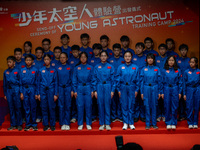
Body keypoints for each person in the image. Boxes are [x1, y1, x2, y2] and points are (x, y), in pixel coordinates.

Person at [116, 51, 139, 130]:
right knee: (124, 105)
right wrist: (118, 90)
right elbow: (117, 79)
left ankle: (131, 122)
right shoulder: (120, 67)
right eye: (126, 56)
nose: (127, 58)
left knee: (131, 105)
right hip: (123, 87)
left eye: (129, 56)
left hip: (132, 87)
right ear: (124, 57)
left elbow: (138, 80)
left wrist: (136, 90)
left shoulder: (135, 67)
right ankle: (125, 123)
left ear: (131, 57)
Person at [93, 51, 115, 130]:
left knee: (107, 105)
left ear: (107, 57)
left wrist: (112, 90)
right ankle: (102, 123)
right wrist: (95, 90)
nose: (103, 57)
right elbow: (94, 79)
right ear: (99, 57)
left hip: (108, 86)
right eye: (101, 55)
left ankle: (107, 123)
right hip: (99, 86)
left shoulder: (110, 67)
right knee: (100, 105)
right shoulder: (96, 67)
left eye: (105, 55)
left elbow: (113, 80)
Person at [73, 52, 94, 130]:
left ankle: (88, 123)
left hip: (88, 87)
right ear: (79, 58)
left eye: (85, 57)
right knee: (80, 106)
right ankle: (80, 123)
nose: (83, 59)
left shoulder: (90, 67)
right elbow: (74, 80)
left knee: (88, 106)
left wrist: (93, 90)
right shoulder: (76, 68)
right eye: (81, 57)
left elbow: (93, 79)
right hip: (79, 87)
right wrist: (75, 90)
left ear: (87, 58)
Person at [140, 53, 161, 130]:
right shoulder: (143, 69)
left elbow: (159, 81)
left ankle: (154, 123)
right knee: (147, 106)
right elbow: (141, 81)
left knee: (154, 106)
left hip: (155, 87)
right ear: (146, 60)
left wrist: (159, 92)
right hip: (146, 87)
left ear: (153, 60)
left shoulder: (157, 69)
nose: (150, 60)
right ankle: (148, 123)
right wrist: (141, 92)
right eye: (148, 58)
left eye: (151, 58)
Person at [38, 54, 58, 131]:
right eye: (45, 59)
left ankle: (52, 124)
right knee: (44, 108)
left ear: (50, 60)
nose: (46, 61)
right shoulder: (41, 70)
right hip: (43, 90)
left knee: (52, 108)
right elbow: (38, 82)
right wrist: (38, 93)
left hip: (51, 90)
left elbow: (56, 82)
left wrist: (56, 93)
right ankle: (46, 124)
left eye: (48, 59)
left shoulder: (54, 70)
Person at [161, 55, 182, 130]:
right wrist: (162, 92)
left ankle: (173, 122)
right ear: (167, 61)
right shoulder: (164, 70)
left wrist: (180, 92)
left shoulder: (178, 70)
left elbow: (180, 82)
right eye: (169, 60)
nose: (171, 62)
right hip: (166, 88)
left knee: (175, 106)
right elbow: (161, 82)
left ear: (175, 62)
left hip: (175, 88)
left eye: (172, 60)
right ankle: (168, 122)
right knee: (167, 106)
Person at [19, 54, 38, 131]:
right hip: (24, 89)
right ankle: (27, 124)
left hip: (32, 89)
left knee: (33, 107)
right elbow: (20, 82)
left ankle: (34, 124)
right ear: (25, 61)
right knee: (26, 107)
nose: (28, 61)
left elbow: (37, 82)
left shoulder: (35, 70)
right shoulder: (22, 70)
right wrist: (21, 93)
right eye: (27, 60)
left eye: (30, 60)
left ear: (32, 61)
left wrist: (37, 93)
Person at [3, 56, 22, 131]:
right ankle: (13, 124)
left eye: (10, 62)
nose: (8, 63)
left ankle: (19, 124)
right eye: (8, 62)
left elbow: (20, 82)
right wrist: (5, 94)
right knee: (11, 108)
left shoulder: (17, 71)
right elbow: (4, 84)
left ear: (14, 63)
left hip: (16, 90)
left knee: (18, 107)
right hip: (9, 91)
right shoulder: (5, 72)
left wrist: (21, 93)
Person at [108, 43, 125, 122]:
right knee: (113, 100)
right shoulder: (110, 60)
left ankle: (120, 116)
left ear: (120, 51)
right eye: (115, 50)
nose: (116, 52)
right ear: (113, 51)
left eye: (118, 50)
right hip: (111, 82)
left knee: (121, 100)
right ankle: (114, 116)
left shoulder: (123, 60)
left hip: (121, 82)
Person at [57, 52, 73, 130]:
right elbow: (56, 81)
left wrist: (72, 90)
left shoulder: (69, 67)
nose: (62, 59)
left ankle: (67, 122)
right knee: (61, 106)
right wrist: (56, 91)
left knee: (68, 105)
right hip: (60, 88)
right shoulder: (57, 68)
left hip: (68, 88)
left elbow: (73, 79)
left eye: (64, 57)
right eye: (61, 57)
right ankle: (62, 123)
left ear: (67, 58)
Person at [183, 57, 200, 129]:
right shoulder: (186, 72)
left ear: (196, 63)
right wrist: (184, 93)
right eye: (190, 62)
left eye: (193, 62)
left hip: (197, 89)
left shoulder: (199, 71)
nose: (191, 63)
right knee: (189, 106)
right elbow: (184, 83)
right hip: (189, 89)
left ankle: (195, 122)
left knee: (196, 106)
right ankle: (190, 122)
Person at [132, 42, 146, 122]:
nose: (138, 49)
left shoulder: (146, 58)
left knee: (143, 98)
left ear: (143, 49)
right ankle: (136, 115)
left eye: (140, 48)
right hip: (135, 81)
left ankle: (143, 115)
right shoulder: (133, 57)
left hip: (144, 81)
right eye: (137, 48)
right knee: (136, 99)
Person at [88, 43, 102, 122]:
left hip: (100, 83)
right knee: (92, 101)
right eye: (94, 49)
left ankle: (101, 116)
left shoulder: (102, 59)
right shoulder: (90, 60)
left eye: (97, 49)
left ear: (100, 50)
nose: (96, 51)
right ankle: (93, 116)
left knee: (101, 101)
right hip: (91, 83)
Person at [177, 44, 190, 121]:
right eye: (182, 50)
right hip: (179, 82)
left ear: (187, 51)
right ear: (180, 51)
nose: (183, 51)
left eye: (185, 50)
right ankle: (181, 114)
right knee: (180, 98)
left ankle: (188, 114)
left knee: (187, 99)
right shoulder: (177, 60)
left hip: (187, 82)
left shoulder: (190, 60)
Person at [68, 45, 80, 123]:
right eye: (73, 52)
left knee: (79, 102)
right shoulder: (69, 60)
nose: (75, 53)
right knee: (72, 102)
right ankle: (73, 116)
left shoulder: (82, 59)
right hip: (71, 83)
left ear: (79, 52)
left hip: (80, 84)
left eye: (76, 52)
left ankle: (80, 116)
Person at [156, 43, 168, 122]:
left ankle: (163, 114)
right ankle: (158, 114)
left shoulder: (168, 59)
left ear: (166, 50)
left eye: (163, 49)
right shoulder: (156, 59)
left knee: (164, 99)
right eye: (160, 49)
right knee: (157, 99)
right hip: (157, 81)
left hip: (166, 81)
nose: (162, 50)